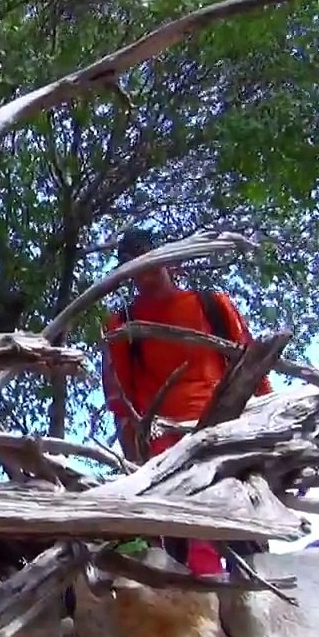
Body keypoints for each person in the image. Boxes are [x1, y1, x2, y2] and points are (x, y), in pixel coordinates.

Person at [102, 228, 273, 575]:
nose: (145, 272)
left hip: (227, 430)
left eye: (152, 260)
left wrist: (268, 422)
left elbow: (253, 368)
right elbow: (119, 397)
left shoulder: (212, 305)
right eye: (135, 264)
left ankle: (256, 599)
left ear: (172, 262)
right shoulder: (123, 324)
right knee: (186, 544)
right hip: (166, 445)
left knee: (247, 534)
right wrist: (135, 454)